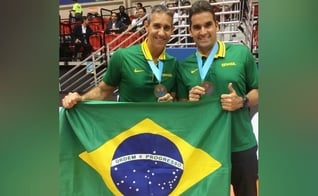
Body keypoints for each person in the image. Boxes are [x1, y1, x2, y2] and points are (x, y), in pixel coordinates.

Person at [176, 1, 258, 196]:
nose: (203, 31)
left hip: (240, 143)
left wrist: (242, 101)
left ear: (217, 25)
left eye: (208, 25)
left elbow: (259, 91)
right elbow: (179, 105)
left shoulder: (240, 54)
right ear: (190, 31)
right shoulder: (185, 66)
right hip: (205, 147)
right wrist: (189, 102)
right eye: (197, 27)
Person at [62, 4, 177, 108]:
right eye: (156, 26)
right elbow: (103, 91)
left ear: (172, 30)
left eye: (166, 28)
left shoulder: (174, 64)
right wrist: (80, 99)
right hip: (130, 129)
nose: (161, 33)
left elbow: (176, 98)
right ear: (146, 26)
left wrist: (171, 101)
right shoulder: (122, 56)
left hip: (159, 129)